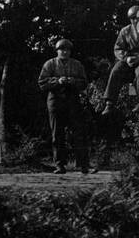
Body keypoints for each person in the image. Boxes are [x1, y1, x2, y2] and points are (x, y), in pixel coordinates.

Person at [37, 38, 95, 174]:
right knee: (57, 134)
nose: (64, 52)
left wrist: (73, 81)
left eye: (67, 50)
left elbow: (84, 82)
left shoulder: (77, 65)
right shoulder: (49, 64)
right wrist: (58, 81)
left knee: (79, 132)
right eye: (62, 50)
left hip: (72, 100)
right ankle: (60, 165)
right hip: (55, 100)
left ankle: (84, 165)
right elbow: (42, 83)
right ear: (57, 51)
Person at [102, 6, 139, 109]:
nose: (136, 20)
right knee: (115, 70)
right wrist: (126, 58)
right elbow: (118, 48)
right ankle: (109, 103)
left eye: (138, 17)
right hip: (128, 58)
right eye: (133, 18)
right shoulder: (125, 31)